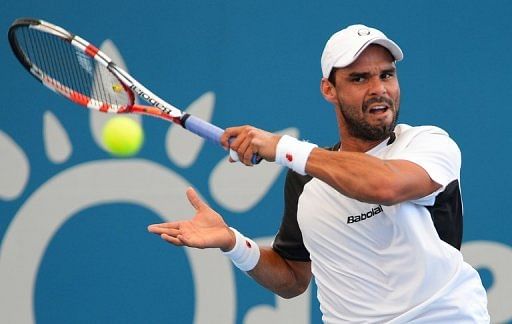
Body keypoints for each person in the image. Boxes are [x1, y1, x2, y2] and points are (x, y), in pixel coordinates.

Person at [148, 24, 490, 323]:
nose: (379, 89)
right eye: (359, 78)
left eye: (386, 74)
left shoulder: (427, 144)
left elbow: (383, 184)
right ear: (329, 89)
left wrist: (283, 148)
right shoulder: (306, 178)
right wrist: (233, 243)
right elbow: (293, 277)